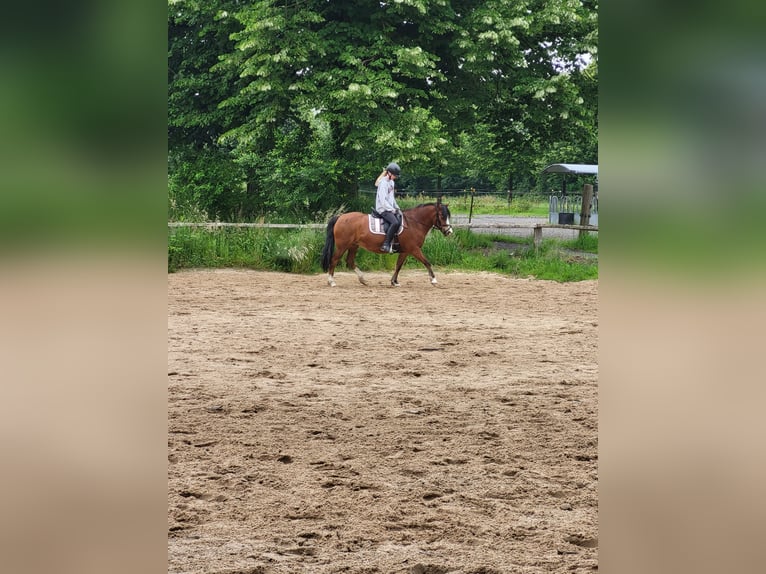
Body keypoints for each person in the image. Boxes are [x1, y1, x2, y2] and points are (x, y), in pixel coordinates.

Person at [375, 162, 402, 253]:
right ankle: (386, 244)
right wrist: (392, 209)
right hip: (382, 209)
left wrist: (397, 208)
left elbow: (391, 198)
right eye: (395, 175)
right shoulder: (383, 183)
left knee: (400, 218)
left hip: (389, 208)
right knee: (394, 222)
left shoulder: (391, 182)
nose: (396, 177)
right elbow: (383, 201)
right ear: (389, 173)